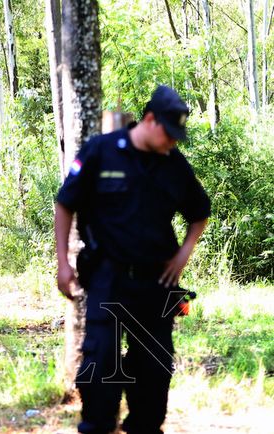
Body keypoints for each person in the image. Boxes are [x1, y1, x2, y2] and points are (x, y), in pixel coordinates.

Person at [54, 85, 210, 434]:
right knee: (100, 366)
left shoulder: (173, 165)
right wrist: (63, 263)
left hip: (157, 281)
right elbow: (66, 202)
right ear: (150, 120)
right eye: (169, 133)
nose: (173, 141)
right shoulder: (102, 151)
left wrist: (183, 256)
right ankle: (98, 425)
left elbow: (200, 211)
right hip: (108, 276)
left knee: (153, 370)